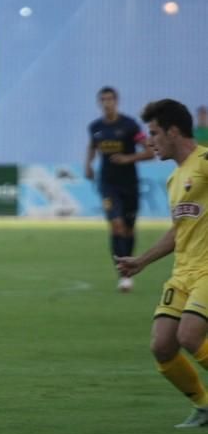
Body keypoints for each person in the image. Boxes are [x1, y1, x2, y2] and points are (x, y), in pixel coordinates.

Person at [115, 99, 208, 428]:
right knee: (162, 345)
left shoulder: (204, 161)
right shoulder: (174, 179)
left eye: (153, 133)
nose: (149, 140)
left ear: (173, 131)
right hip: (183, 273)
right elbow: (177, 231)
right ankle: (204, 405)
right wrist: (141, 261)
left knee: (190, 335)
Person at [84, 86, 155, 292]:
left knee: (129, 229)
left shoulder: (130, 125)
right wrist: (88, 164)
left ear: (117, 101)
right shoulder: (95, 127)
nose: (107, 103)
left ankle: (129, 265)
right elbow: (92, 146)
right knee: (116, 226)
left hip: (129, 184)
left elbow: (150, 152)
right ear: (99, 103)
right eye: (103, 100)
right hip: (107, 184)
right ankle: (123, 274)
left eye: (110, 99)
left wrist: (128, 158)